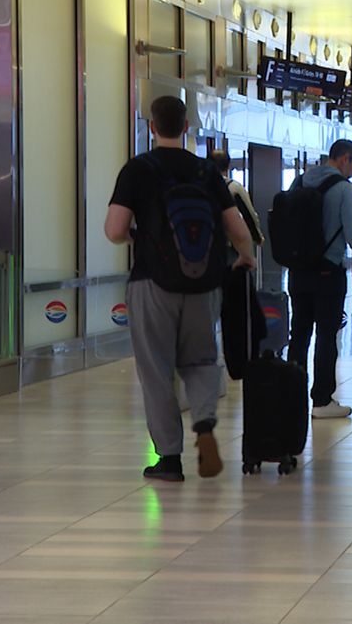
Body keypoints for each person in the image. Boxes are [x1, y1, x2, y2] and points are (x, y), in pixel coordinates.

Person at [105, 96, 256, 482]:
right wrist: (244, 258)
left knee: (156, 370)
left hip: (152, 283)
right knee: (202, 360)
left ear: (152, 127)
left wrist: (138, 239)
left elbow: (114, 230)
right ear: (187, 126)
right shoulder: (207, 171)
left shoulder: (137, 170)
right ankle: (204, 425)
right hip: (204, 284)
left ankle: (169, 458)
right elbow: (237, 229)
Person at [286, 139, 352, 418]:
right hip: (329, 272)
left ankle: (292, 395)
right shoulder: (345, 190)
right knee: (327, 335)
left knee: (300, 332)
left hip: (298, 270)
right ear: (345, 159)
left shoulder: (300, 182)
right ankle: (322, 400)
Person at [208, 150, 264, 265]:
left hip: (204, 244)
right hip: (228, 245)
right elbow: (249, 215)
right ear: (228, 165)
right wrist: (257, 237)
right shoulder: (234, 187)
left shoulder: (200, 185)